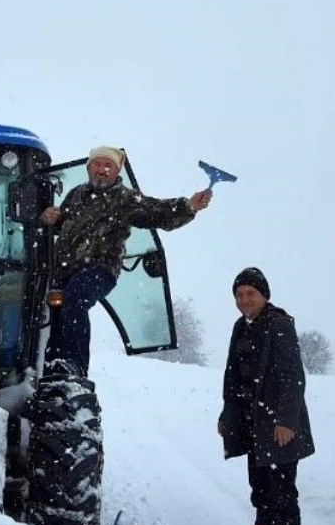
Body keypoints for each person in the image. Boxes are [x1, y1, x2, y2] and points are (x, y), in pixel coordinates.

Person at [39, 145, 212, 374]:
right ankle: (51, 367)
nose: (102, 170)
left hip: (100, 268)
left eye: (108, 165)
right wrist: (50, 218)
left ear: (116, 170)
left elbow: (157, 212)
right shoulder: (76, 195)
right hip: (66, 270)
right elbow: (64, 226)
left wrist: (188, 206)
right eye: (97, 164)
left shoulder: (125, 199)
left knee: (76, 298)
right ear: (89, 168)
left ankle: (74, 368)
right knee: (51, 311)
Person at [218, 266, 315, 525]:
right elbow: (233, 377)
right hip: (253, 426)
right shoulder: (241, 327)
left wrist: (287, 421)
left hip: (278, 428)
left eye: (250, 294)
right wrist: (227, 414)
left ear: (264, 296)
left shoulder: (279, 325)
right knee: (261, 493)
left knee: (283, 496)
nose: (244, 300)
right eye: (239, 294)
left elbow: (293, 376)